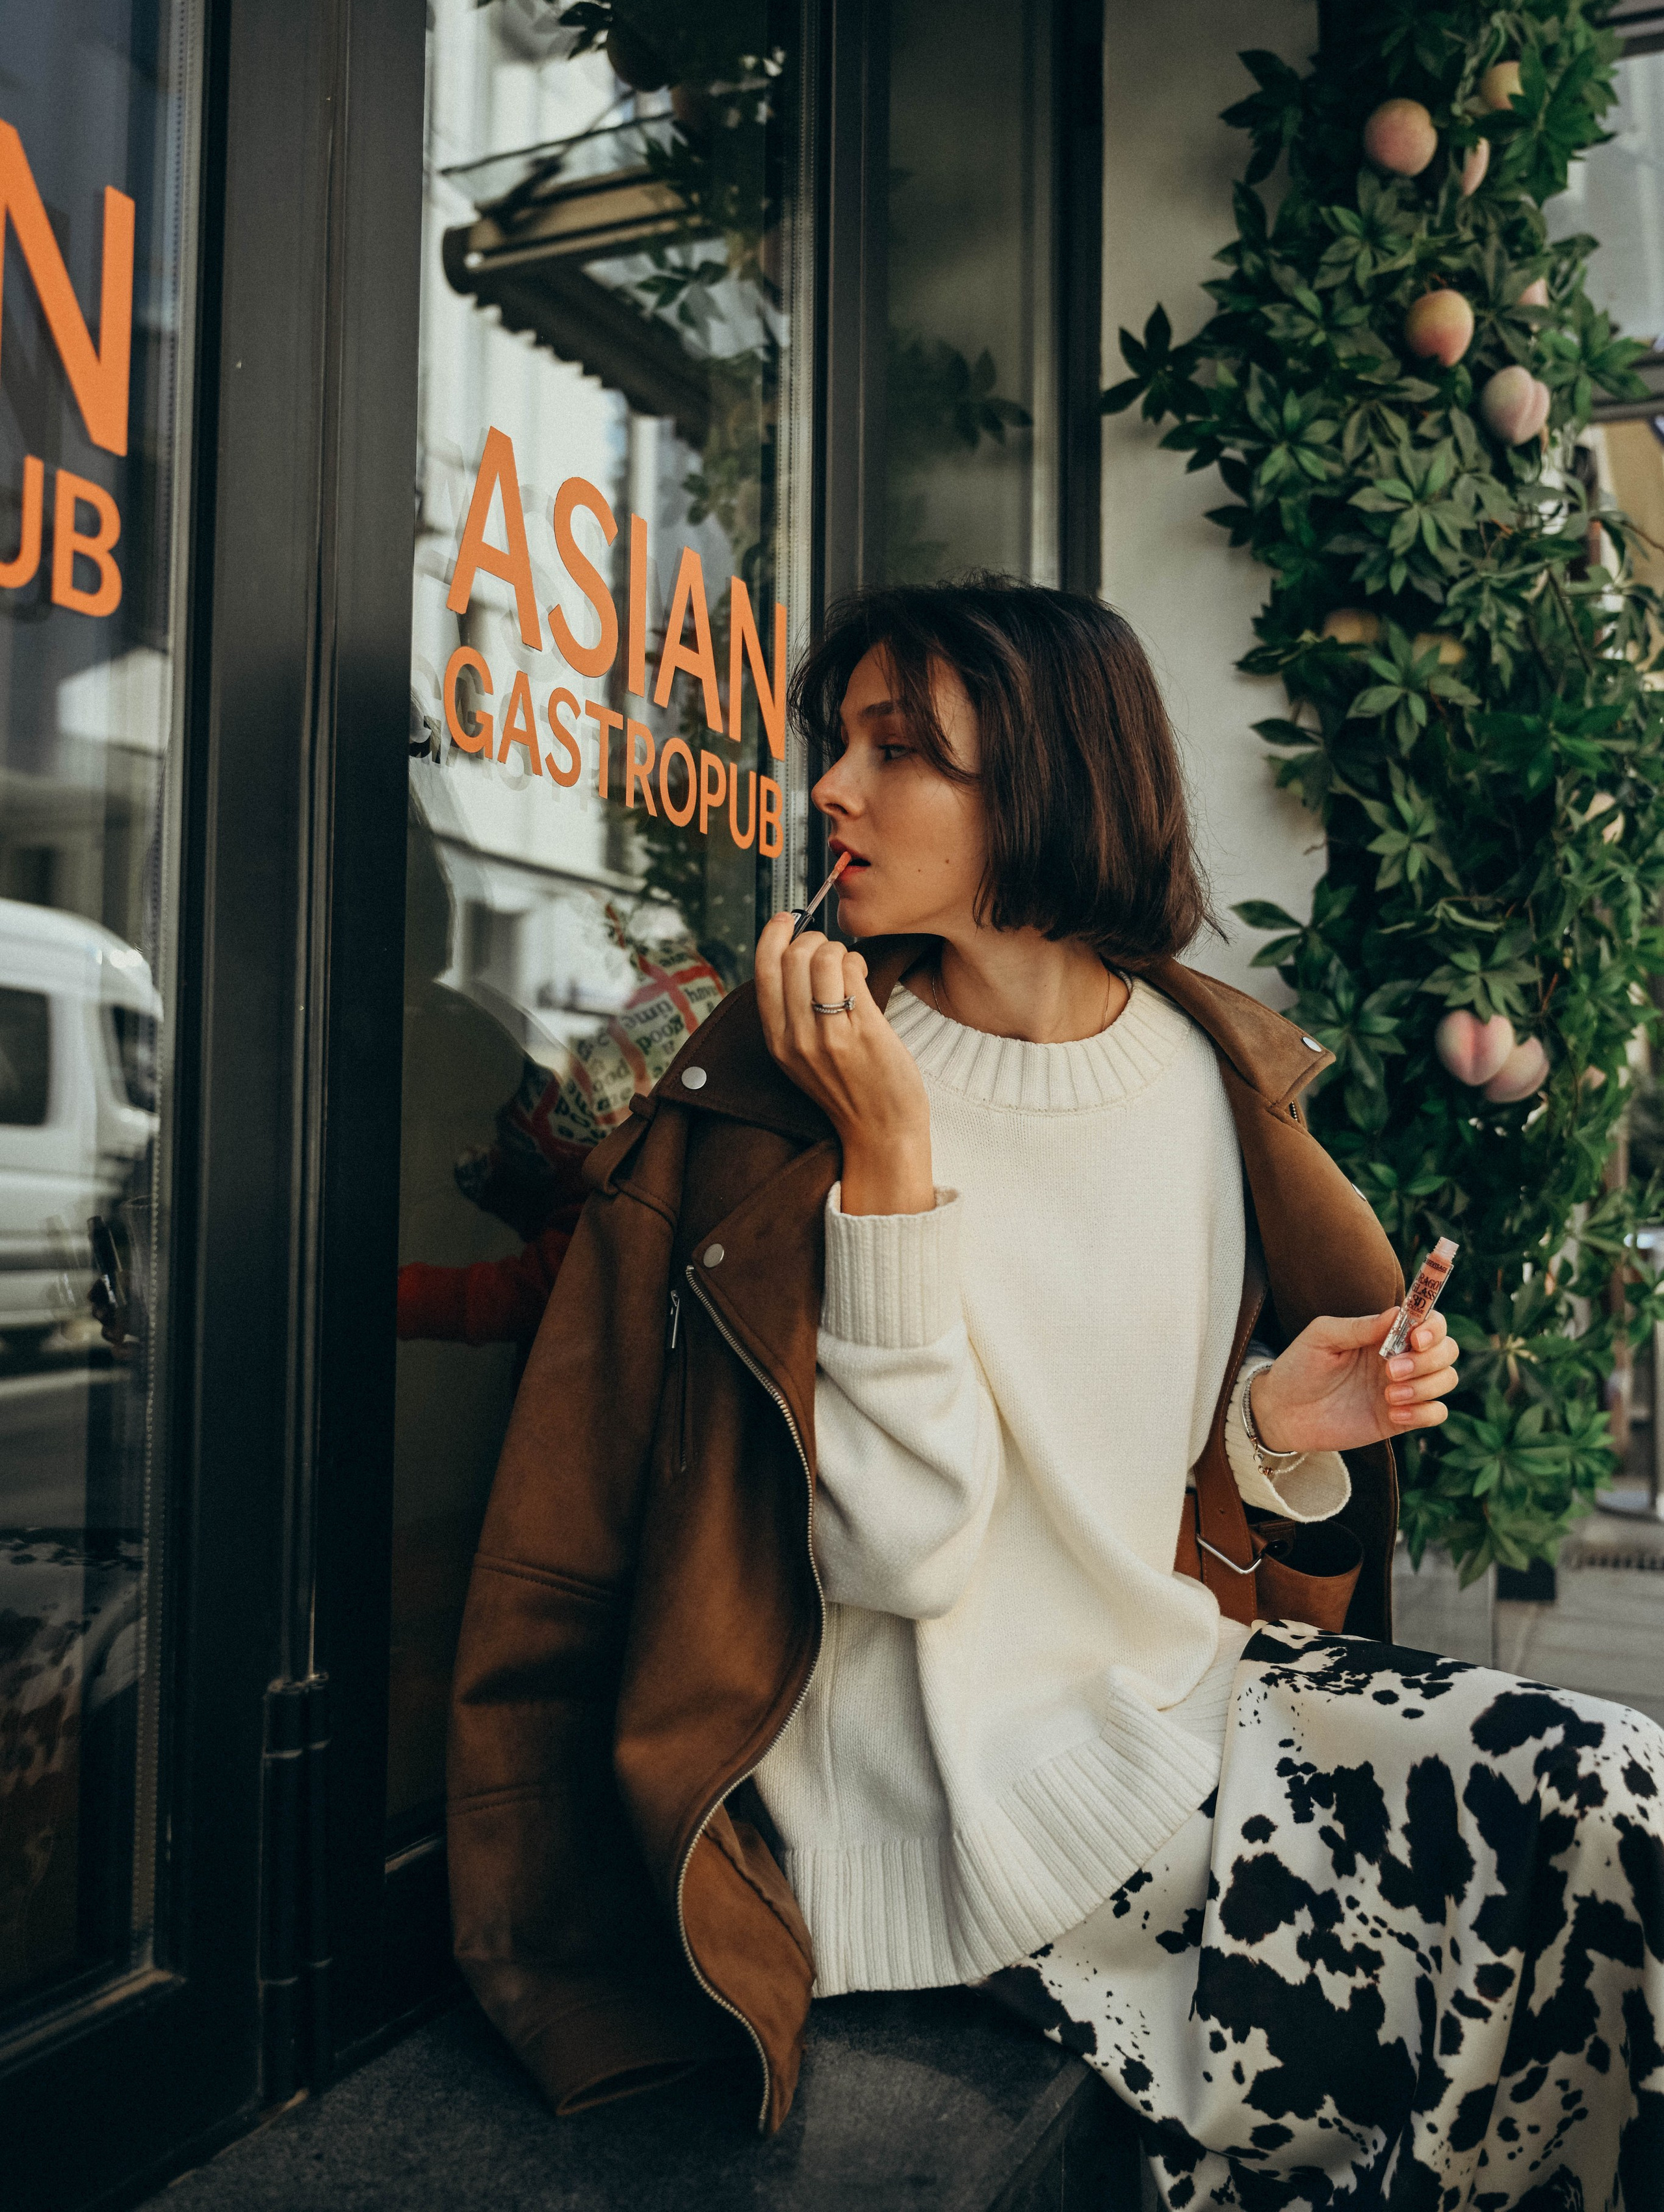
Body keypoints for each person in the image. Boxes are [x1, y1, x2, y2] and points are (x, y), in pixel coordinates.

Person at [447, 577, 1664, 2208]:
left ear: (1041, 783)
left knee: (1618, 1799)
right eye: (841, 744)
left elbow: (1096, 1500)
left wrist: (1264, 1433)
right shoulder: (794, 1095)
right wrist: (885, 1166)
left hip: (1168, 1707)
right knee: (1527, 1945)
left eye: (897, 750)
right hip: (942, 1800)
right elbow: (902, 1565)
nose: (829, 790)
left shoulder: (1200, 1076)